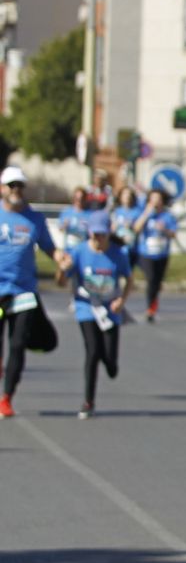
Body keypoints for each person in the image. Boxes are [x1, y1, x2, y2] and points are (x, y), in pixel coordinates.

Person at [0, 166, 72, 418]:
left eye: (19, 185)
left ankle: (6, 398)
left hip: (23, 292)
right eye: (11, 186)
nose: (16, 190)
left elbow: (49, 247)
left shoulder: (35, 219)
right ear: (2, 189)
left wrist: (59, 258)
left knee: (18, 344)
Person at [65, 211, 132, 419]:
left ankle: (110, 361)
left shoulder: (118, 254)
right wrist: (62, 269)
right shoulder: (79, 252)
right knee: (92, 351)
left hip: (109, 310)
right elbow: (63, 277)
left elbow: (129, 280)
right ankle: (88, 400)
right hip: (86, 306)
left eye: (102, 235)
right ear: (89, 233)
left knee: (110, 362)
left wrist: (122, 301)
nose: (98, 239)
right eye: (95, 235)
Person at [133, 188, 179, 322]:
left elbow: (174, 234)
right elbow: (136, 228)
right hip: (146, 252)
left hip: (161, 253)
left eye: (158, 199)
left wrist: (164, 229)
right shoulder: (145, 214)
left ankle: (153, 304)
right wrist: (147, 213)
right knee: (151, 278)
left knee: (157, 282)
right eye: (153, 199)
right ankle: (149, 307)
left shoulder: (167, 216)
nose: (155, 202)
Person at [58, 187, 93, 254]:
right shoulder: (67, 212)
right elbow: (60, 229)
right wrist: (64, 225)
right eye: (77, 198)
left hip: (84, 250)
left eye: (81, 199)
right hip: (69, 250)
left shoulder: (90, 214)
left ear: (85, 199)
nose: (79, 201)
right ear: (73, 198)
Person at [110, 187, 142, 252]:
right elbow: (112, 228)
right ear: (120, 196)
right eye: (125, 194)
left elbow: (139, 229)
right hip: (118, 245)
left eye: (129, 194)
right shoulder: (116, 211)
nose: (127, 196)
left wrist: (131, 226)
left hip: (132, 246)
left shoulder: (137, 211)